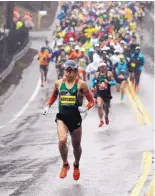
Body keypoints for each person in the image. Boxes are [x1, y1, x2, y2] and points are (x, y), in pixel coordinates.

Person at [43, 60, 94, 180]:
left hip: (75, 118)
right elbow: (54, 95)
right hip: (62, 118)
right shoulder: (58, 83)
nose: (67, 73)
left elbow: (92, 101)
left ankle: (76, 165)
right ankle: (65, 164)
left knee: (76, 146)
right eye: (66, 70)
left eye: (70, 71)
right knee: (62, 141)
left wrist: (85, 108)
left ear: (75, 72)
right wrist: (48, 106)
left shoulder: (81, 84)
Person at [92, 61, 116, 127]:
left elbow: (114, 82)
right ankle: (101, 121)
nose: (102, 68)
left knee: (106, 108)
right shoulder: (97, 74)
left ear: (105, 67)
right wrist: (92, 86)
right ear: (99, 68)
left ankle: (106, 116)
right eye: (101, 67)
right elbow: (93, 81)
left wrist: (108, 82)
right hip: (99, 93)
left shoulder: (109, 74)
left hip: (107, 93)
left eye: (103, 67)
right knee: (99, 106)